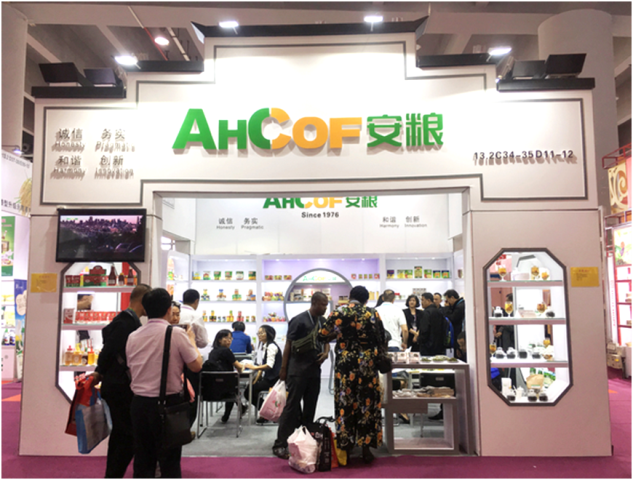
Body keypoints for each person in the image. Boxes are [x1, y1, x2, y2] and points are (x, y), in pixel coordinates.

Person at [126, 288, 203, 480]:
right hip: (167, 404)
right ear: (169, 309)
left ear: (145, 309)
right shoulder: (175, 334)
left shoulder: (133, 336)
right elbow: (196, 365)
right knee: (169, 461)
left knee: (143, 459)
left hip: (138, 403)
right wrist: (192, 340)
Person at [89, 284, 152, 480]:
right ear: (143, 301)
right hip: (119, 387)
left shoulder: (127, 321)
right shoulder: (126, 323)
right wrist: (99, 371)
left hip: (119, 384)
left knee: (123, 435)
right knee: (125, 435)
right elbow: (108, 351)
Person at [317, 286, 384, 465]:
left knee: (345, 402)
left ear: (350, 297)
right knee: (367, 404)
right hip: (368, 364)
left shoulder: (338, 313)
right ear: (366, 300)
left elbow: (321, 335)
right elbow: (381, 338)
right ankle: (366, 448)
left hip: (346, 365)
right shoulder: (372, 313)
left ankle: (346, 446)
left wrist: (338, 333)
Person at [273, 292, 330, 460]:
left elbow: (326, 340)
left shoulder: (323, 321)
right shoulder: (298, 320)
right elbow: (288, 345)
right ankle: (280, 444)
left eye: (326, 305)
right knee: (291, 408)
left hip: (314, 371)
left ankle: (305, 442)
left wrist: (326, 353)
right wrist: (283, 369)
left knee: (310, 408)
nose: (325, 308)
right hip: (297, 371)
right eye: (323, 304)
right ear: (314, 303)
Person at [179, 289, 209, 426]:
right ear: (196, 301)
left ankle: (175, 426)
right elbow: (202, 342)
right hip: (189, 361)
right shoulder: (195, 316)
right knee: (191, 394)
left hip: (172, 360)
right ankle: (187, 426)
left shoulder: (173, 313)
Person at [203, 330, 245, 424]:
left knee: (230, 384)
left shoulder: (212, 352)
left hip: (211, 390)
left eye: (230, 338)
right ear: (219, 340)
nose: (229, 340)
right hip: (226, 390)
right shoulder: (226, 351)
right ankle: (228, 414)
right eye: (226, 338)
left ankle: (238, 409)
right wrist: (244, 366)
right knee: (233, 386)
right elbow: (239, 367)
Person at [243, 325, 282, 418]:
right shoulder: (266, 345)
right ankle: (266, 412)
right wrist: (256, 378)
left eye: (262, 333)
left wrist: (254, 367)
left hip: (273, 380)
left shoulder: (271, 346)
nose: (259, 335)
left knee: (248, 392)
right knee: (250, 389)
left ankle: (267, 412)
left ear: (269, 334)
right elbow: (263, 365)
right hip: (270, 378)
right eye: (258, 333)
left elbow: (269, 365)